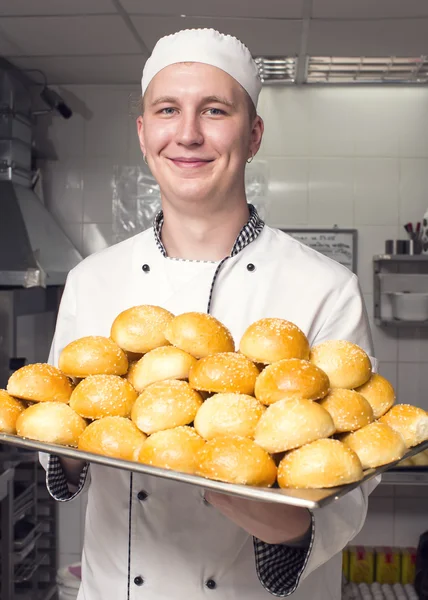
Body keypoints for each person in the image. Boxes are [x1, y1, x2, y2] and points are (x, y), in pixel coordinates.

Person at [41, 28, 378, 600]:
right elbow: (59, 446)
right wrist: (71, 454)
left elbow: (350, 480)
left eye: (215, 110)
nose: (189, 133)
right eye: (168, 110)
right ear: (145, 135)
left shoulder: (326, 288)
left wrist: (289, 525)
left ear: (253, 135)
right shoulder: (90, 281)